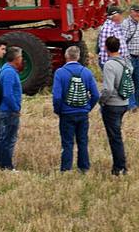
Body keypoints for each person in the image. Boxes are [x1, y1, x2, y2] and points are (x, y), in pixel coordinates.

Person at [51, 45, 99, 173]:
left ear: (66, 56)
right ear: (78, 57)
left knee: (67, 142)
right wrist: (88, 107)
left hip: (66, 112)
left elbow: (57, 96)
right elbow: (95, 94)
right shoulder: (87, 72)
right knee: (82, 141)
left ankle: (66, 168)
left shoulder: (60, 73)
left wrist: (58, 110)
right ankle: (84, 167)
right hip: (82, 112)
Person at [97, 37, 131, 176]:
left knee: (114, 137)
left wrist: (101, 100)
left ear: (106, 48)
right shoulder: (126, 62)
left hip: (112, 105)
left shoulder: (109, 65)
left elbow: (108, 89)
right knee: (116, 134)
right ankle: (120, 165)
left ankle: (119, 167)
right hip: (124, 102)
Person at [0, 47, 24, 171]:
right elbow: (8, 94)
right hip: (9, 111)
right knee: (9, 139)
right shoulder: (9, 73)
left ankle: (0, 163)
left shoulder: (6, 70)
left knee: (4, 137)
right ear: (16, 59)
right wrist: (16, 108)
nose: (22, 60)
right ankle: (7, 166)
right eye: (21, 57)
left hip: (6, 110)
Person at [125, 4, 139, 110]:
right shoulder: (126, 24)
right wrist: (126, 56)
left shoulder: (138, 24)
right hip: (129, 57)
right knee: (128, 82)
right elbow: (122, 41)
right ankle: (131, 106)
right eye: (137, 12)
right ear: (131, 12)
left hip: (137, 57)